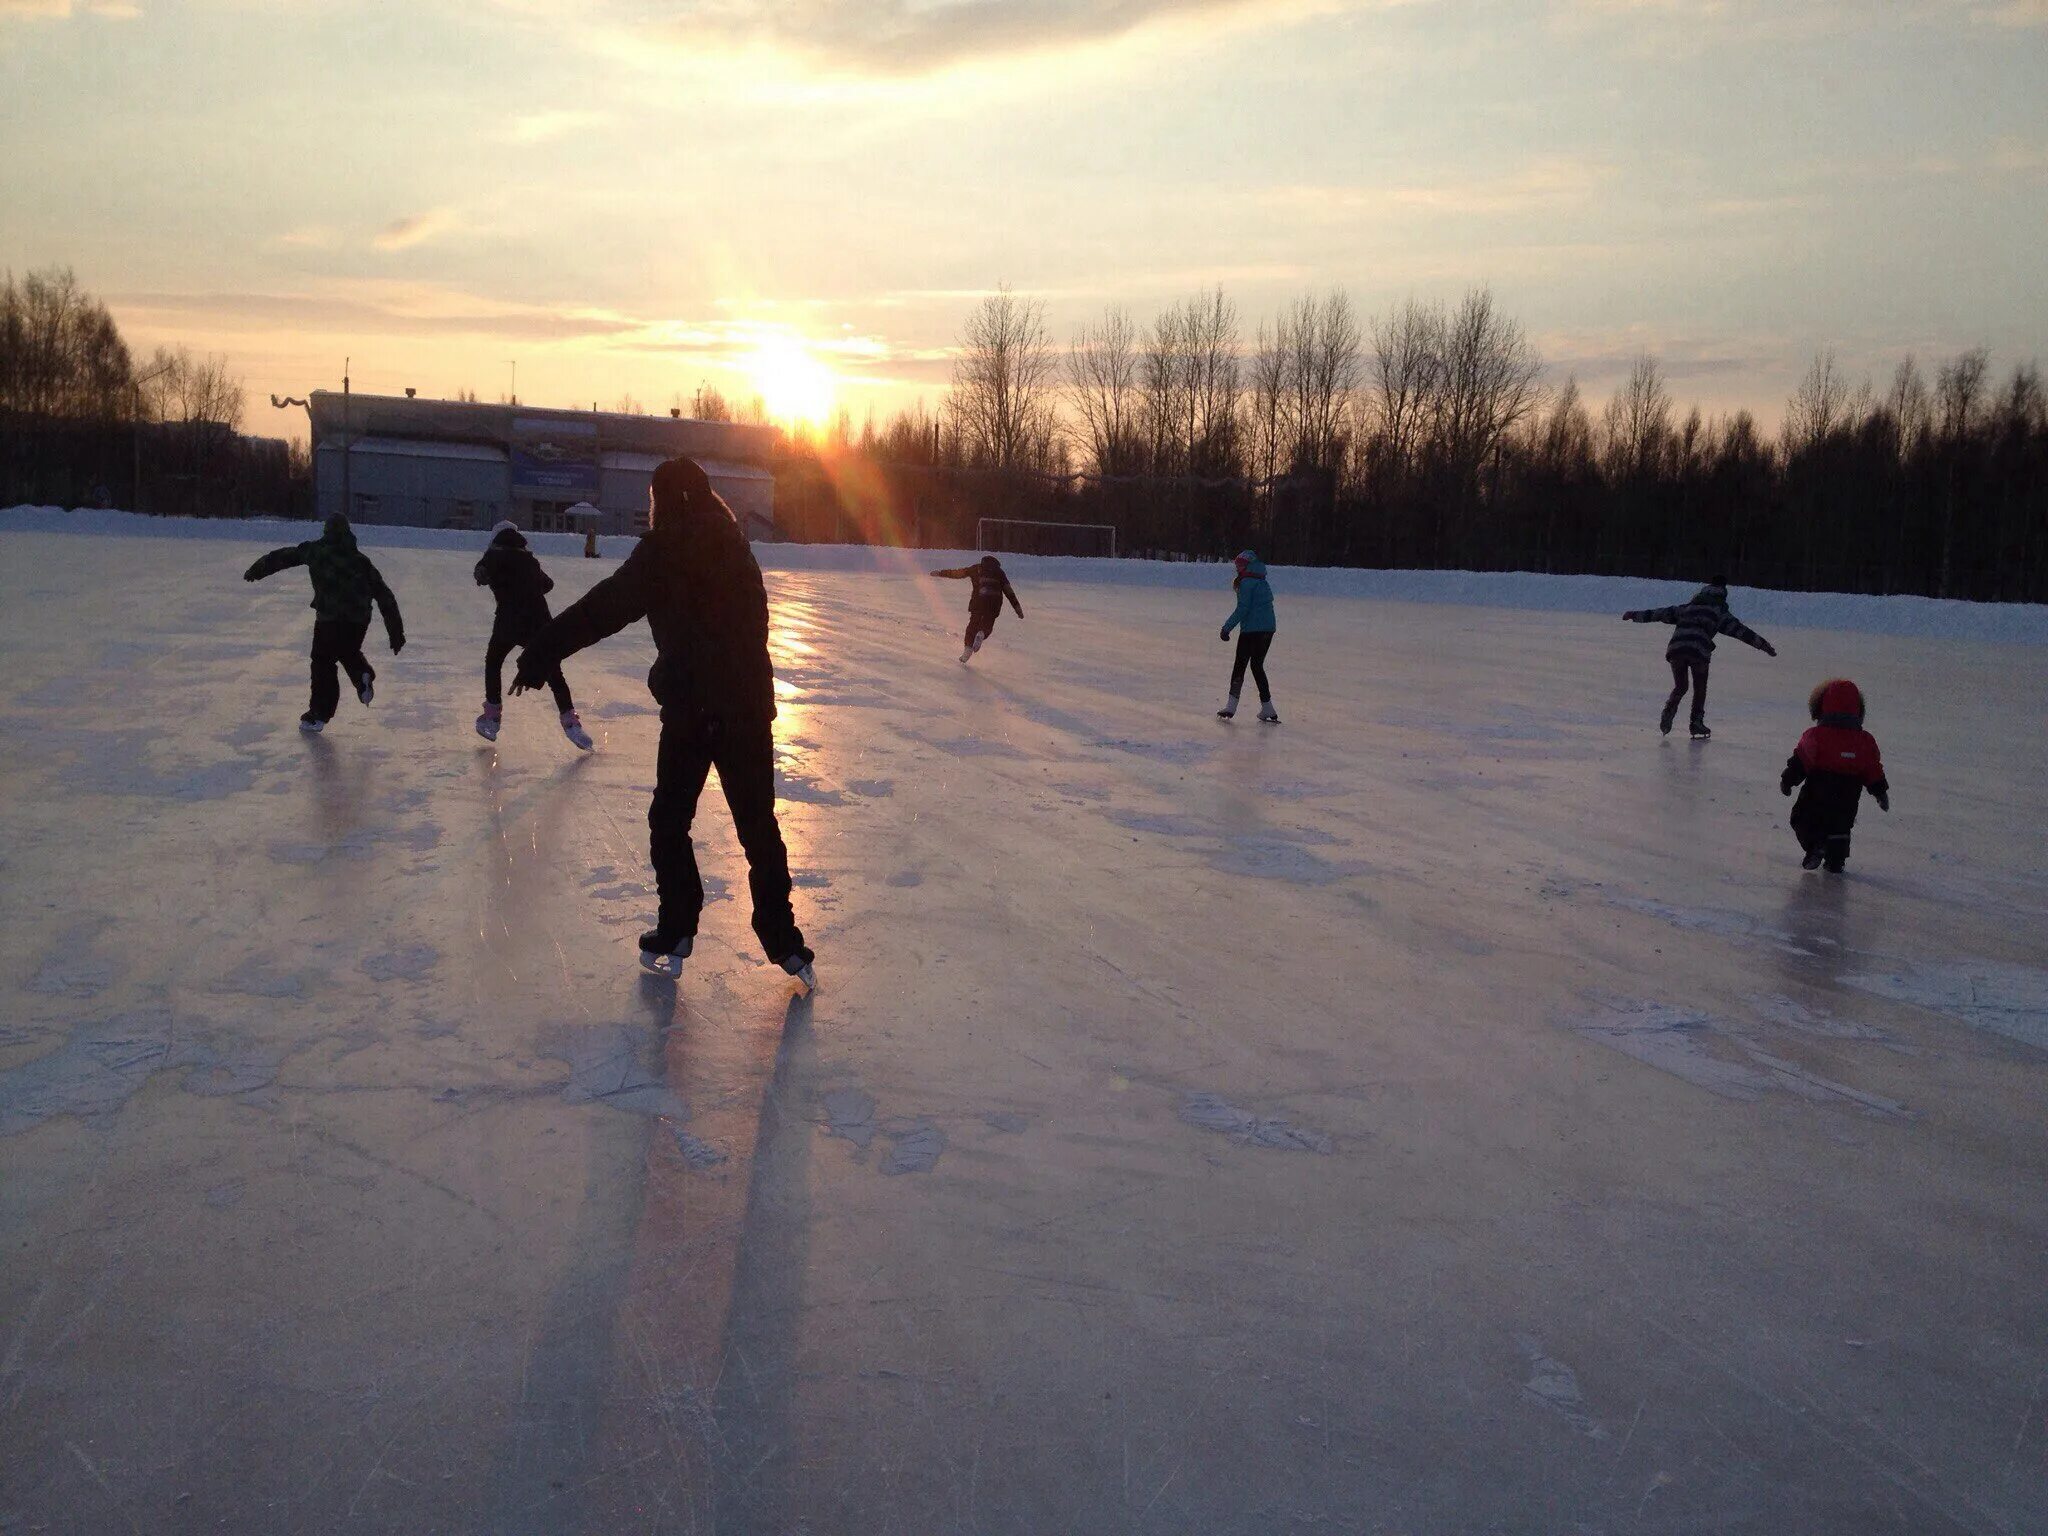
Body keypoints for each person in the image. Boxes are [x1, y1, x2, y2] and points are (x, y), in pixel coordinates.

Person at [512, 457, 814, 986]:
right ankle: (785, 942)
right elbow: (753, 626)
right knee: (758, 829)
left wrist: (541, 652)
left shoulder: (663, 549)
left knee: (669, 824)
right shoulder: (734, 544)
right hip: (744, 711)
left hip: (692, 714)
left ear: (660, 501)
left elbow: (599, 610)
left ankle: (677, 927)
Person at [243, 513, 404, 734]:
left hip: (329, 618)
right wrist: (396, 632)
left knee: (323, 662)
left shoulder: (316, 551)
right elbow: (384, 595)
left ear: (326, 531)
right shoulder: (361, 561)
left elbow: (284, 557)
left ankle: (319, 713)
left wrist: (258, 569)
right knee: (348, 650)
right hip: (358, 620)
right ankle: (361, 676)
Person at [472, 520, 591, 750]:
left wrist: (487, 577)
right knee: (553, 672)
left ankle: (493, 715)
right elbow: (548, 584)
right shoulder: (530, 560)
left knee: (494, 661)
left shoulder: (493, 556)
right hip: (539, 622)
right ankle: (571, 723)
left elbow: (482, 572)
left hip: (509, 622)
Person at [1622, 575, 1776, 738]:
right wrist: (1765, 646)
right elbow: (1742, 632)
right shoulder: (1720, 612)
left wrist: (1634, 615)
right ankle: (1696, 723)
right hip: (1699, 651)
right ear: (1723, 594)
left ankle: (1669, 710)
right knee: (1699, 688)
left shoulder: (1688, 607)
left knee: (1681, 686)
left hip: (1677, 649)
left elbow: (1661, 613)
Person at [1780, 678, 1889, 872]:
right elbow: (1872, 767)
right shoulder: (1864, 741)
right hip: (1849, 793)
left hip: (1818, 790)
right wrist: (1880, 792)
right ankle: (1836, 860)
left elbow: (1802, 759)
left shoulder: (1816, 735)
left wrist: (1788, 780)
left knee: (1802, 818)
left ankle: (1815, 846)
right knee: (1841, 826)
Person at [1217, 550, 1279, 723]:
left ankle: (1231, 706)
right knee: (1257, 666)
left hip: (1252, 630)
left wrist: (1226, 628)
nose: (1238, 568)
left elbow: (1243, 608)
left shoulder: (1247, 582)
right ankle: (1267, 706)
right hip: (1268, 629)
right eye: (1237, 564)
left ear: (1248, 565)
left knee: (1240, 666)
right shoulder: (1262, 581)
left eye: (1241, 565)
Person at [931, 554, 1023, 662]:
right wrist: (1018, 609)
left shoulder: (976, 568)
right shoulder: (1000, 573)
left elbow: (958, 573)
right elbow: (1009, 592)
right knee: (987, 624)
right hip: (994, 605)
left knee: (972, 627)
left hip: (978, 602)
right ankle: (982, 633)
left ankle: (967, 651)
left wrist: (940, 573)